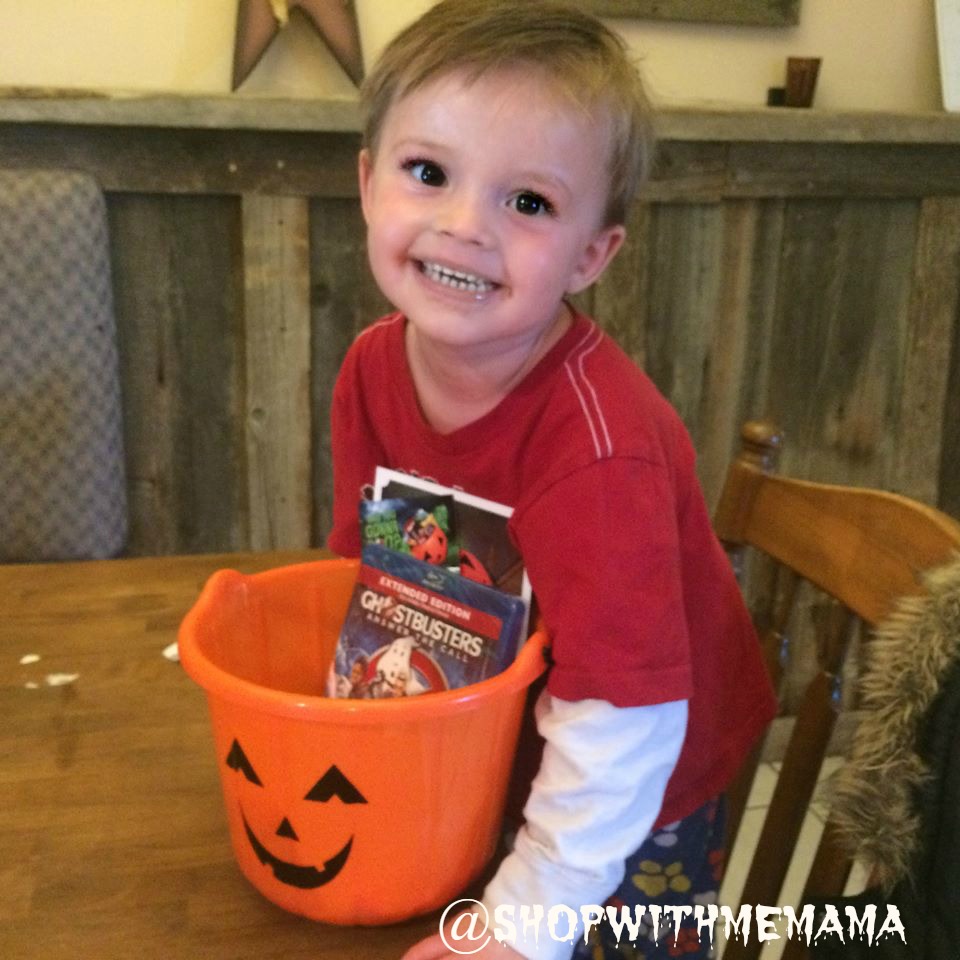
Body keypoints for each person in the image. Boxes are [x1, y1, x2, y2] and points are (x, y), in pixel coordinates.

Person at [326, 2, 778, 957]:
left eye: (527, 202)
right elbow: (369, 580)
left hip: (640, 771)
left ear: (591, 254)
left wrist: (524, 923)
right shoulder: (369, 367)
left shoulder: (597, 451)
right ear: (368, 185)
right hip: (498, 731)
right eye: (429, 172)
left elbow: (625, 720)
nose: (463, 226)